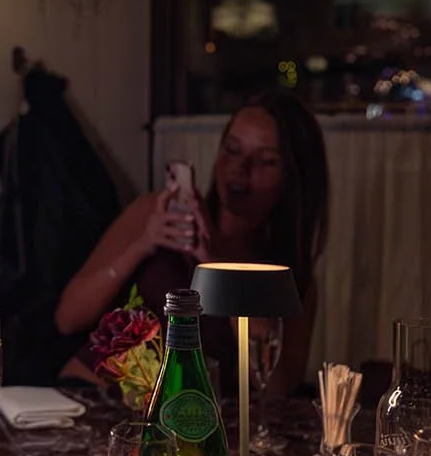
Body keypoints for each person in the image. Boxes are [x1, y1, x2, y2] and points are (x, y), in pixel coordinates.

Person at [56, 91, 330, 388]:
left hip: (188, 423)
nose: (240, 167)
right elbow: (67, 318)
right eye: (232, 149)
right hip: (94, 397)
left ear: (292, 178)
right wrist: (142, 244)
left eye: (265, 161)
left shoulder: (289, 275)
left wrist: (213, 262)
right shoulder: (159, 214)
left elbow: (277, 389)